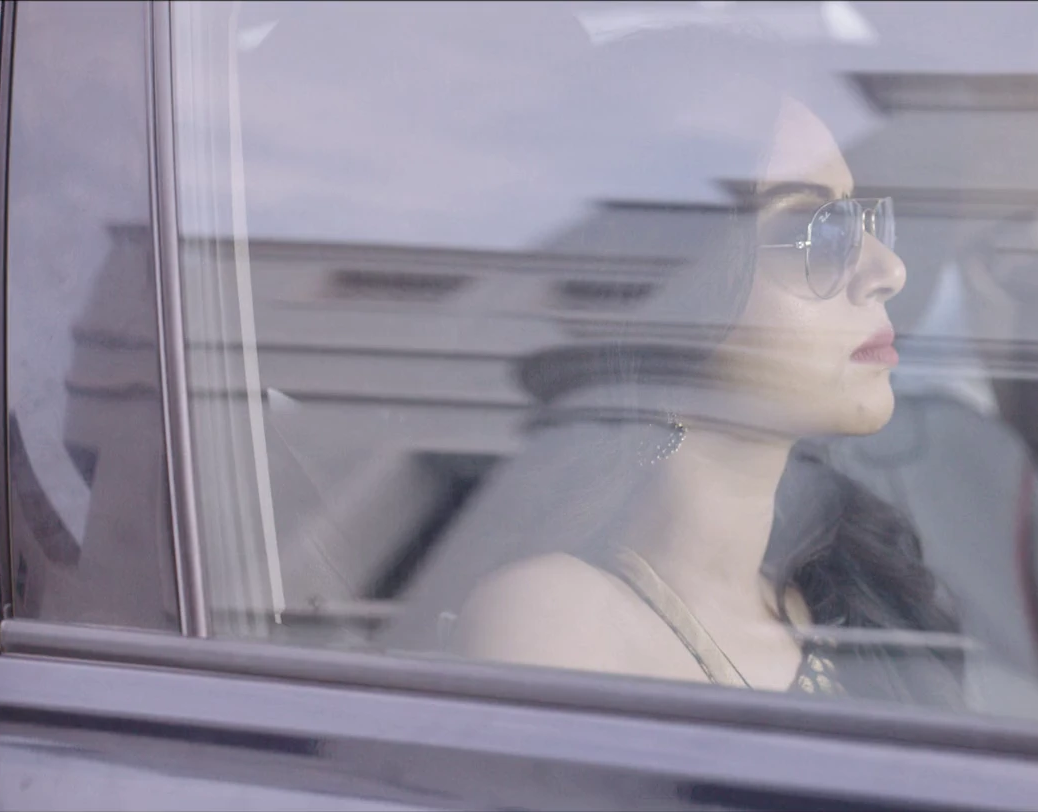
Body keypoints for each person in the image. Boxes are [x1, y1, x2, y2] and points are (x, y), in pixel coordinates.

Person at [383, 25, 964, 708]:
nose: (888, 269)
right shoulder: (560, 626)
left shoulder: (854, 588)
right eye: (813, 230)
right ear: (667, 284)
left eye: (860, 220)